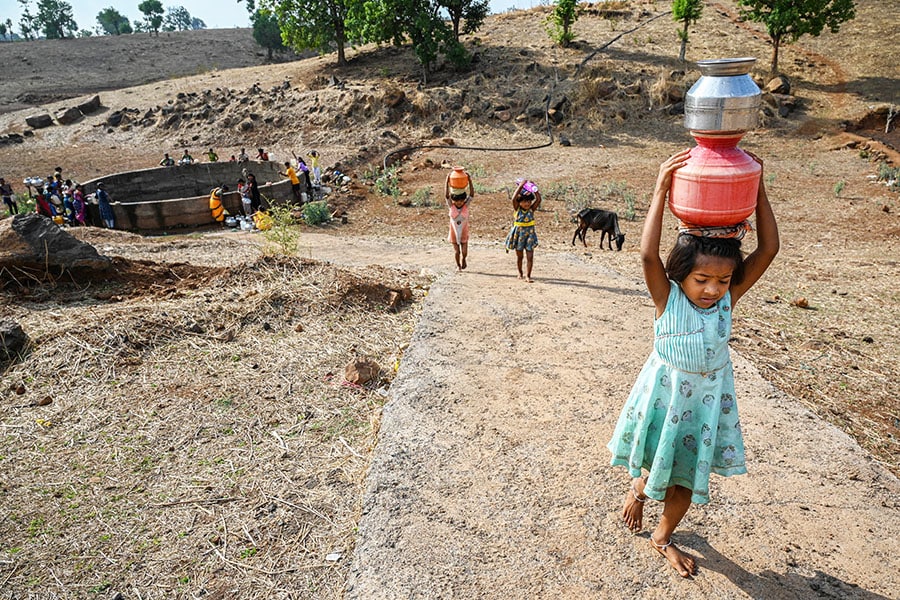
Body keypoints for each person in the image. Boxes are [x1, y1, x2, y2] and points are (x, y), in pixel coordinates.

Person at [607, 149, 779, 578]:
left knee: (683, 475)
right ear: (681, 273)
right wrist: (661, 188)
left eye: (722, 280)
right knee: (659, 457)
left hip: (704, 405)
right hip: (666, 396)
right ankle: (640, 490)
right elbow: (648, 256)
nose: (712, 289)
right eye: (702, 280)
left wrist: (756, 188)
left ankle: (662, 538)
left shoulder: (727, 302)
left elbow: (769, 248)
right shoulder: (667, 299)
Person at [504, 179, 542, 282]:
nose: (528, 204)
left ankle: (528, 275)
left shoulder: (531, 210)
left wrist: (534, 188)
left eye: (529, 201)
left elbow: (538, 199)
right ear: (520, 202)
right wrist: (520, 186)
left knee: (530, 256)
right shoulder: (517, 209)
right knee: (519, 256)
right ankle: (520, 272)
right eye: (525, 202)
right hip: (519, 235)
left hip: (530, 235)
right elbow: (513, 199)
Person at [444, 169, 475, 272]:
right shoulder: (451, 207)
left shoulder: (465, 206)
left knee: (464, 251)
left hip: (464, 232)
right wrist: (447, 181)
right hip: (454, 232)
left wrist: (469, 180)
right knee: (457, 252)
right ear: (454, 201)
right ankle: (458, 265)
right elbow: (446, 196)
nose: (459, 203)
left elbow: (471, 195)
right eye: (457, 201)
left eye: (461, 201)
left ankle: (464, 260)